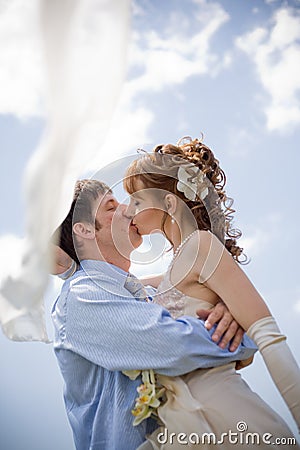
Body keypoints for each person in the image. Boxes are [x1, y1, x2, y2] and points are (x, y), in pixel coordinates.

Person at [51, 179, 257, 450]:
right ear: (85, 229)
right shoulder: (83, 296)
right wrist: (243, 328)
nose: (127, 209)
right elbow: (172, 344)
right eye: (111, 206)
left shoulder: (145, 294)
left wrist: (226, 309)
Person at [123, 137, 300, 449]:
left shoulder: (202, 244)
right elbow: (120, 286)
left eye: (136, 201)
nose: (128, 210)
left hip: (235, 420)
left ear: (168, 203)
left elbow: (269, 336)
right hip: (183, 429)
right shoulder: (164, 276)